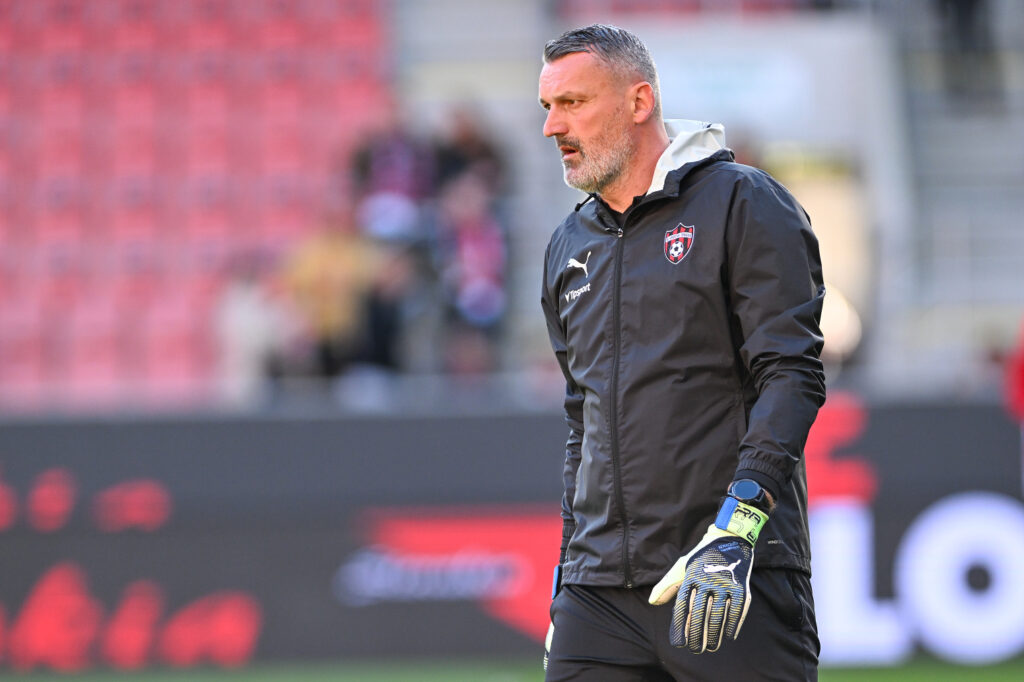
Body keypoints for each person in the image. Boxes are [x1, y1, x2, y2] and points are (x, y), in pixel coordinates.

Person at [538, 25, 826, 681]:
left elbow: (792, 375)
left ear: (639, 102)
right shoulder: (567, 245)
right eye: (548, 107)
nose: (553, 126)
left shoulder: (744, 202)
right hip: (597, 592)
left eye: (573, 103)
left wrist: (738, 529)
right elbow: (583, 420)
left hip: (724, 572)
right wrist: (568, 571)